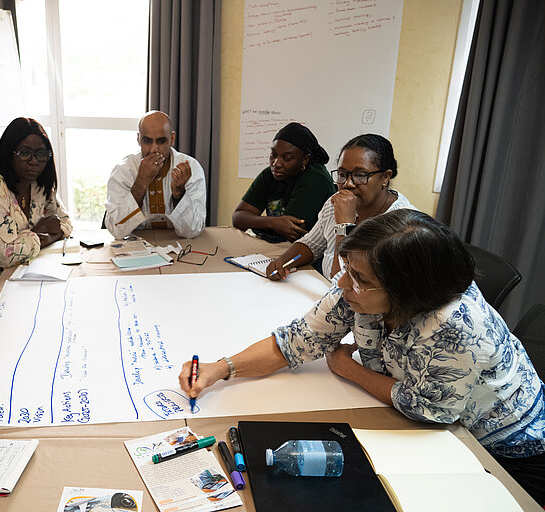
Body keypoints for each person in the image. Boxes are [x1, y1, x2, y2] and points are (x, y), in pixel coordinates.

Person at [179, 209, 545, 504]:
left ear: (408, 289)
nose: (342, 285)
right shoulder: (362, 287)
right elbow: (294, 341)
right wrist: (221, 368)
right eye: (347, 270)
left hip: (507, 450)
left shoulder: (456, 324)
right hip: (445, 423)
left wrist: (346, 368)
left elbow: (429, 410)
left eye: (358, 278)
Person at [265, 133, 416, 280]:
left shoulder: (403, 225)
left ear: (385, 177)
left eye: (360, 175)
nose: (348, 184)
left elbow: (345, 283)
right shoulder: (335, 202)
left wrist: (344, 226)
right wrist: (284, 260)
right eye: (342, 174)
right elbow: (312, 244)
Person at [0, 118, 73, 302]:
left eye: (41, 153)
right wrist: (40, 233)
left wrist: (40, 235)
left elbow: (65, 222)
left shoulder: (38, 183)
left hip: (23, 276)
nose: (34, 161)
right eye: (25, 153)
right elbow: (3, 255)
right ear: (9, 153)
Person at [105, 111, 206, 239]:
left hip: (178, 243)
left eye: (161, 141)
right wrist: (140, 183)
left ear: (172, 139)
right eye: (147, 141)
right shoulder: (124, 170)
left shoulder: (189, 168)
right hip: (135, 245)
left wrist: (179, 195)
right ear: (138, 139)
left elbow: (193, 230)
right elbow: (116, 230)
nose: (154, 149)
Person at [232, 122, 335, 242]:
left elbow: (292, 231)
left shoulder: (316, 178)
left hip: (310, 252)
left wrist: (259, 222)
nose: (276, 164)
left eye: (287, 158)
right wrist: (273, 222)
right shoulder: (270, 174)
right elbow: (238, 218)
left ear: (305, 160)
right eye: (273, 155)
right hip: (274, 246)